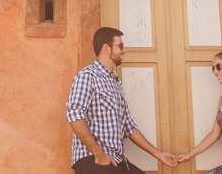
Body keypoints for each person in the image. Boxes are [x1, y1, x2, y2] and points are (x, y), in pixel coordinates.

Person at [66, 27, 178, 172]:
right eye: (121, 46)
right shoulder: (87, 75)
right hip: (93, 160)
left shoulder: (116, 82)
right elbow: (75, 116)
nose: (124, 51)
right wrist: (98, 154)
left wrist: (158, 154)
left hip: (117, 161)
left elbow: (129, 126)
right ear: (106, 49)